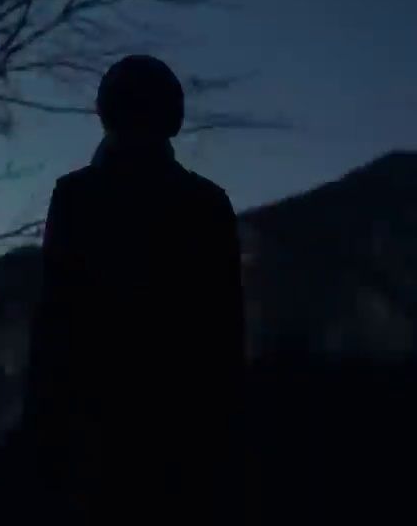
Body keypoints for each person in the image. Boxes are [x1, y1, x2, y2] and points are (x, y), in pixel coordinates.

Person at [22, 55, 248, 522]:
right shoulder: (205, 203)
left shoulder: (78, 195)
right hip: (179, 424)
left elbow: (56, 318)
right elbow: (226, 331)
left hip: (101, 424)